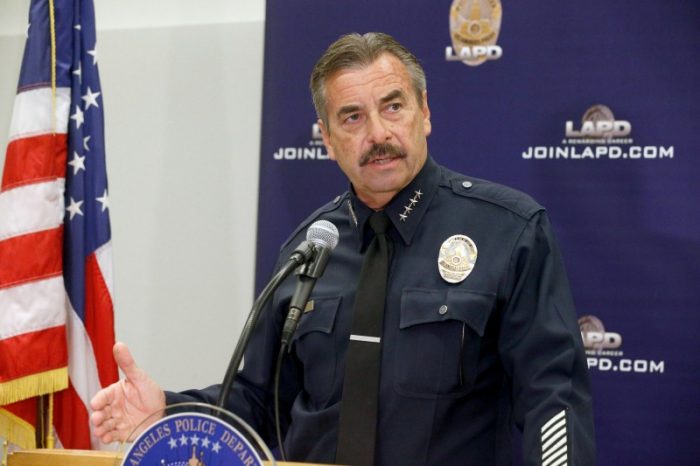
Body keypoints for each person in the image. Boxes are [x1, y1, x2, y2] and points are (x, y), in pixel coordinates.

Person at [91, 32, 595, 465]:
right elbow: (260, 405)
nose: (377, 134)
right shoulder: (307, 250)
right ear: (327, 140)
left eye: (393, 106)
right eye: (351, 118)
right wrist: (168, 411)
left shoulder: (507, 231)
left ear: (424, 113)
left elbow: (552, 399)